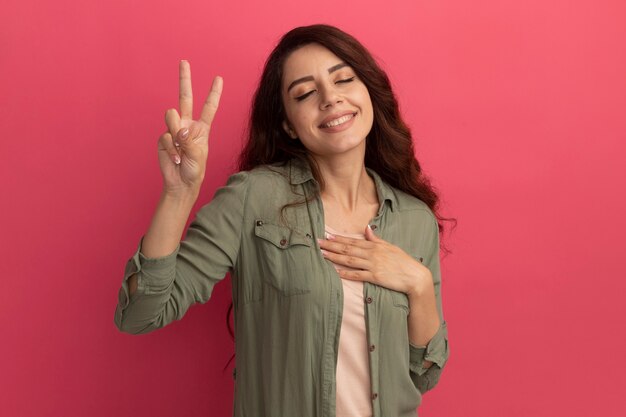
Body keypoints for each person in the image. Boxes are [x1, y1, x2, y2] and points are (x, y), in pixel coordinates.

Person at [114, 24, 451, 417]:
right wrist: (179, 193)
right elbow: (140, 314)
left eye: (344, 79)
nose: (330, 98)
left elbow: (423, 375)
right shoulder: (253, 197)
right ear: (288, 124)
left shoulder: (414, 219)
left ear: (369, 93)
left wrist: (419, 283)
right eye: (305, 93)